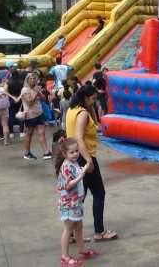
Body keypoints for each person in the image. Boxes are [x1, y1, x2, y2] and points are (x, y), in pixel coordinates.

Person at [66, 85, 117, 242]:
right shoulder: (82, 114)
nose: (95, 101)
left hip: (74, 158)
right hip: (85, 156)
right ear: (85, 98)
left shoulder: (72, 110)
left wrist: (92, 107)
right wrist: (89, 160)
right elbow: (79, 138)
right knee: (99, 193)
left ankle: (72, 233)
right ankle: (99, 231)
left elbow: (95, 124)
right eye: (93, 99)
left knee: (80, 195)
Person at [55, 137, 99, 266]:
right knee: (68, 229)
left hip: (76, 202)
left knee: (78, 226)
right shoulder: (66, 166)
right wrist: (81, 174)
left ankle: (83, 250)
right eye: (71, 152)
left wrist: (82, 170)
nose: (75, 154)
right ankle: (65, 257)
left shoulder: (73, 163)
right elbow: (68, 185)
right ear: (65, 154)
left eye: (76, 151)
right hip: (69, 203)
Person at [21, 72, 52, 160]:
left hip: (39, 114)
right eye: (31, 78)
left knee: (42, 132)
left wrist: (39, 92)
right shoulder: (25, 90)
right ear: (27, 80)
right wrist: (35, 92)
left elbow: (44, 99)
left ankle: (46, 152)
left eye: (34, 78)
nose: (33, 80)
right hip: (30, 115)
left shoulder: (35, 88)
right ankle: (27, 153)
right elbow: (29, 102)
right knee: (29, 134)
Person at [7, 69, 25, 138]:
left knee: (11, 116)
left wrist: (12, 97)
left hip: (11, 100)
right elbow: (23, 91)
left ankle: (11, 133)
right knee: (21, 116)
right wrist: (19, 97)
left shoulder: (9, 82)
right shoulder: (21, 82)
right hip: (20, 100)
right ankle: (21, 132)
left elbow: (5, 91)